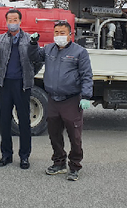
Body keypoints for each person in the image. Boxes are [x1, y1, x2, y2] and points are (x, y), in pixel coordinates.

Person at [28, 21, 93, 181]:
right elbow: (34, 56)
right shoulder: (49, 49)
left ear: (70, 34)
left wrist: (85, 96)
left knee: (74, 136)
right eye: (56, 32)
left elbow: (86, 75)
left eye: (62, 32)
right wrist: (33, 43)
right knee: (54, 134)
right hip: (53, 99)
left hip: (71, 100)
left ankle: (75, 166)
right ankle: (59, 163)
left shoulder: (80, 52)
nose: (59, 35)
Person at [0, 9, 40, 169]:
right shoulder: (1, 39)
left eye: (15, 19)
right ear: (6, 21)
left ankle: (24, 156)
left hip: (23, 85)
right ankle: (6, 155)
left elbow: (38, 60)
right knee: (4, 121)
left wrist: (30, 75)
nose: (12, 22)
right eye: (9, 19)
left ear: (20, 21)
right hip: (5, 84)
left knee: (24, 121)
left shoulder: (29, 39)